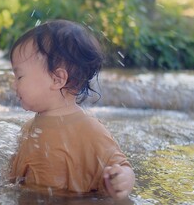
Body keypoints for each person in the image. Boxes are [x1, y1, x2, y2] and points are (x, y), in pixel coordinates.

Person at [8, 19, 135, 200]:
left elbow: (122, 166)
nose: (14, 85)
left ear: (57, 79)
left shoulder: (91, 131)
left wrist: (122, 179)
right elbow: (12, 182)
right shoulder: (28, 129)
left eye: (19, 76)